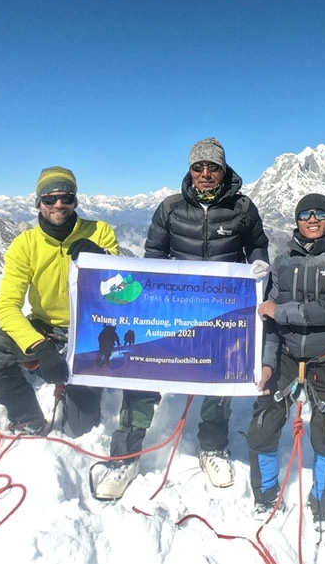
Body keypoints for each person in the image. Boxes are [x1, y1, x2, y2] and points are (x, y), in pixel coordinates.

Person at [102, 137, 269, 495]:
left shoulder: (243, 208)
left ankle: (212, 446)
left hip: (224, 308)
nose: (205, 173)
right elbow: (153, 254)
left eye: (213, 167)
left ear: (224, 170)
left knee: (222, 375)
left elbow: (257, 244)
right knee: (144, 367)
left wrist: (259, 265)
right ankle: (125, 454)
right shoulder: (170, 208)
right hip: (175, 308)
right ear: (190, 170)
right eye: (198, 167)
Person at [0, 166, 119, 437]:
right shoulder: (25, 244)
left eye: (67, 197)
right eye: (50, 199)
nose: (59, 204)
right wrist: (39, 346)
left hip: (89, 331)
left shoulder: (99, 231)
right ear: (38, 203)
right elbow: (6, 306)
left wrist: (103, 258)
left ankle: (76, 382)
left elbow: (123, 290)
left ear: (76, 200)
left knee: (80, 427)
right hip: (44, 330)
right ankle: (26, 416)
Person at [248, 193, 325, 532]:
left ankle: (321, 500)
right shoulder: (283, 262)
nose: (312, 219)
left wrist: (281, 312)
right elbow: (268, 319)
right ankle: (266, 493)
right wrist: (268, 363)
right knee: (262, 427)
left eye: (319, 214)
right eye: (304, 214)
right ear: (297, 221)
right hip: (284, 357)